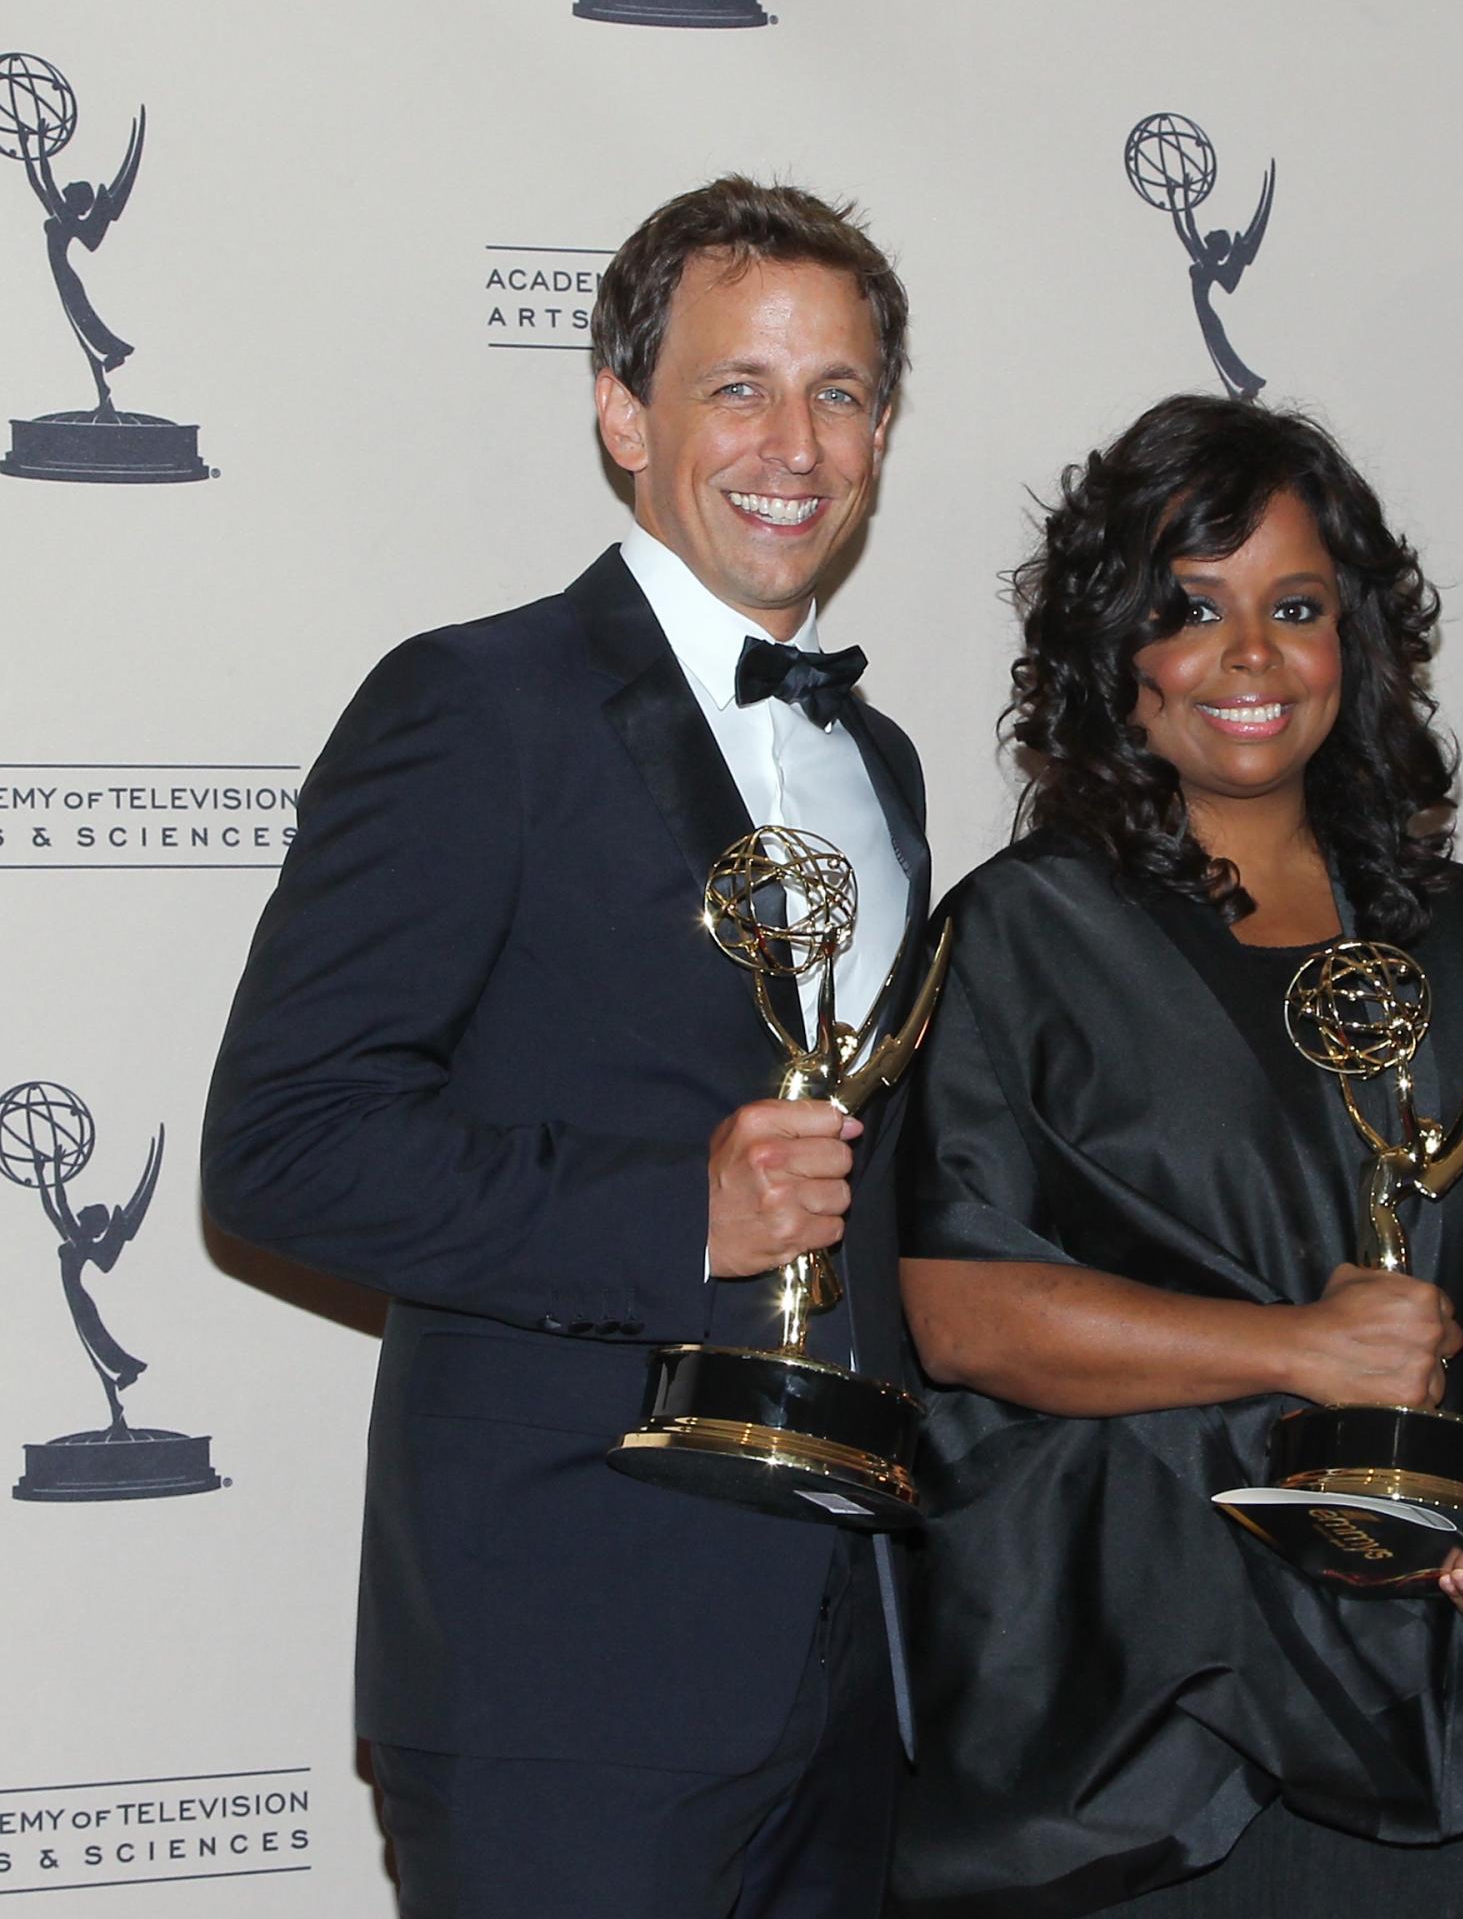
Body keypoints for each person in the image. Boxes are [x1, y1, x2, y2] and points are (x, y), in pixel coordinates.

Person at [202, 176, 929, 1918]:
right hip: (566, 1655)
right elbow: (284, 1142)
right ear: (623, 410)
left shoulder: (881, 762)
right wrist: (679, 1219)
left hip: (853, 1658)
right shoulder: (475, 707)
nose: (794, 444)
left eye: (839, 392)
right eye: (735, 385)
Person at [889, 394, 1463, 1919]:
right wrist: (1299, 1348)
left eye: (1296, 608)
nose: (1251, 657)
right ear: (1118, 655)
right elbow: (960, 1310)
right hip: (1142, 1710)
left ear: (1353, 641)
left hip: (1417, 1700)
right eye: (1193, 610)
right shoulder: (1024, 935)